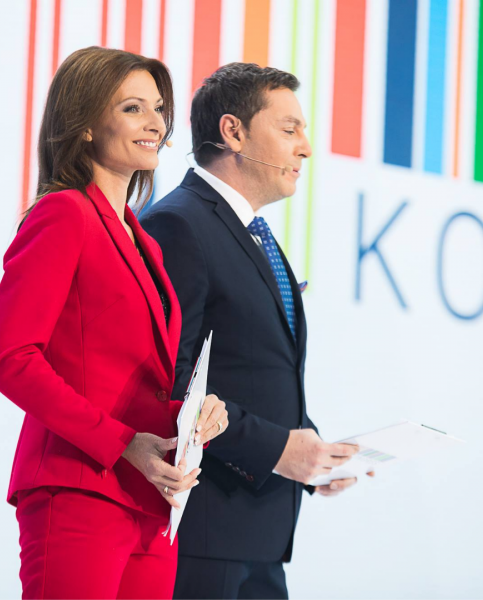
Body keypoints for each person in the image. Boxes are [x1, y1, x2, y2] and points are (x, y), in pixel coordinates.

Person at [0, 47, 228, 600]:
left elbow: (136, 380)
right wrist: (122, 443)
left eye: (158, 108)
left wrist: (193, 417)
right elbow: (9, 359)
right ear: (87, 125)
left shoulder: (145, 243)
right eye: (132, 108)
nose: (155, 122)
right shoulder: (63, 213)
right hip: (79, 489)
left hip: (152, 502)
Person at [141, 62, 363, 600]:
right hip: (204, 531)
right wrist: (278, 449)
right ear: (233, 132)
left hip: (259, 535)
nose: (306, 148)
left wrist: (312, 450)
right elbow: (172, 379)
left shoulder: (254, 233)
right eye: (290, 129)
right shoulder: (179, 224)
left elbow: (251, 371)